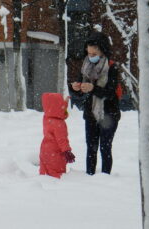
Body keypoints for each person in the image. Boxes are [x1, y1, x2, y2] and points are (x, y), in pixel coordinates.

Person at [69, 32, 121, 175]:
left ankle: (105, 177)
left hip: (109, 113)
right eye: (89, 54)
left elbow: (110, 92)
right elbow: (81, 91)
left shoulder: (111, 67)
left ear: (102, 50)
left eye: (94, 54)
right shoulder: (86, 66)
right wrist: (76, 88)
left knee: (105, 146)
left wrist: (94, 88)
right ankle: (90, 175)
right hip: (91, 113)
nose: (90, 57)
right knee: (91, 148)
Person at [39, 93, 75, 178]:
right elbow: (61, 139)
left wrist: (64, 104)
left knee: (46, 172)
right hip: (56, 152)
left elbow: (56, 109)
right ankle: (56, 189)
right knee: (56, 173)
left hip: (45, 150)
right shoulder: (58, 123)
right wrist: (67, 151)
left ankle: (43, 186)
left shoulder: (47, 117)